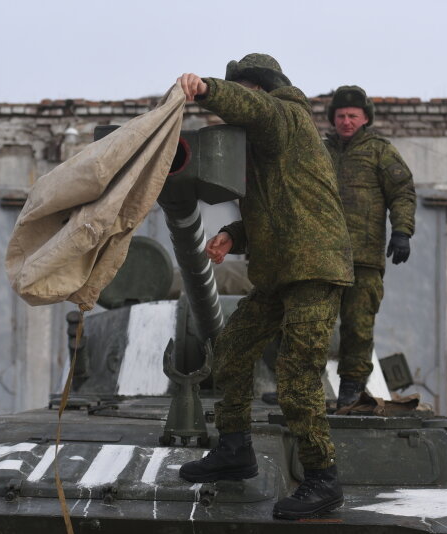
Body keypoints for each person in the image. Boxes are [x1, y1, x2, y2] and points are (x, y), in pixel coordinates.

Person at [176, 54, 354, 520]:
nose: (244, 103)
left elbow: (256, 109)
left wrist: (208, 88)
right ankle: (235, 450)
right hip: (280, 270)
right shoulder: (263, 151)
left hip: (313, 269)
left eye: (246, 92)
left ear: (261, 89)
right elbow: (279, 209)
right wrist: (234, 235)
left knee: (296, 377)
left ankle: (322, 479)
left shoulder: (285, 115)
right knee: (231, 350)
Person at [324, 86, 417, 408]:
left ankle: (351, 387)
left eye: (352, 115)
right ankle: (299, 384)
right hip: (320, 256)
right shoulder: (319, 151)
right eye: (341, 116)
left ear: (365, 118)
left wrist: (402, 231)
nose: (346, 121)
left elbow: (402, 191)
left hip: (363, 257)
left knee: (358, 325)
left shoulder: (380, 151)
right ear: (333, 119)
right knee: (308, 324)